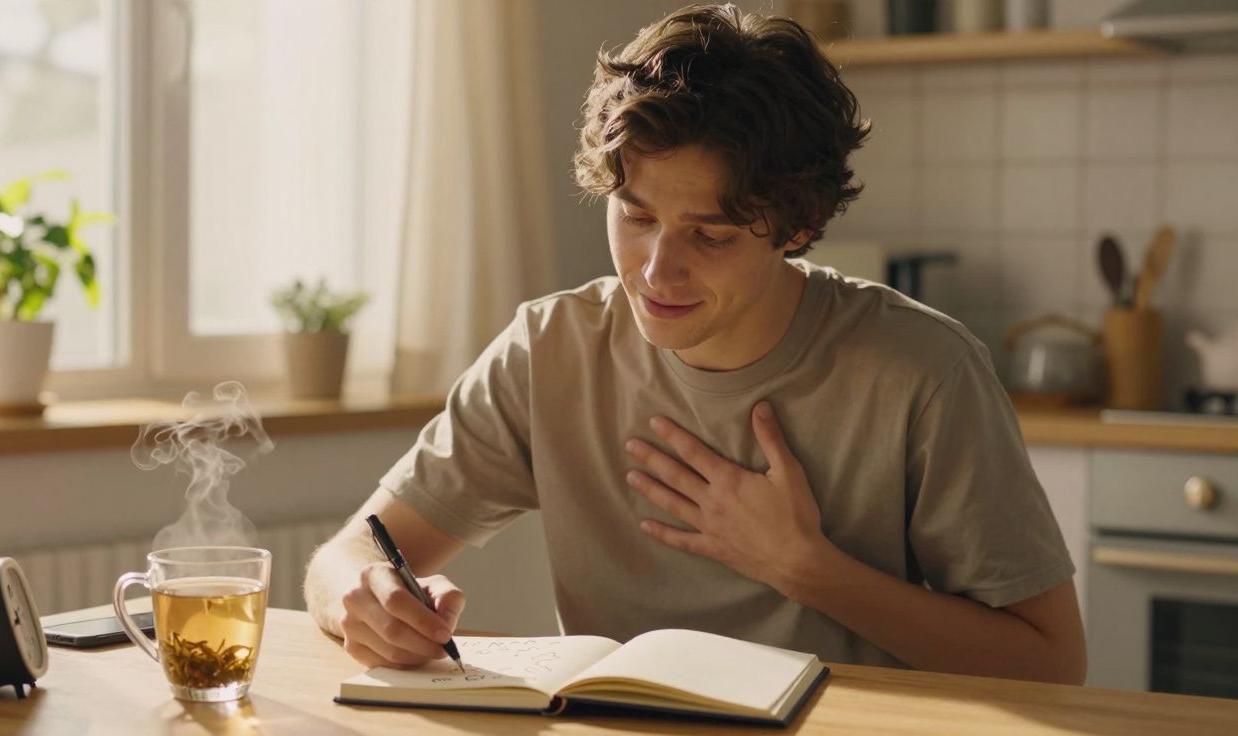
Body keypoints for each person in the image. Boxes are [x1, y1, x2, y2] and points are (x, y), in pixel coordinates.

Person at [304, 2, 1087, 684]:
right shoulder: (551, 348)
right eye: (635, 216)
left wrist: (805, 570)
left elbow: (1052, 664)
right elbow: (348, 552)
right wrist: (363, 599)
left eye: (709, 235)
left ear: (799, 229)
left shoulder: (923, 370)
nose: (656, 271)